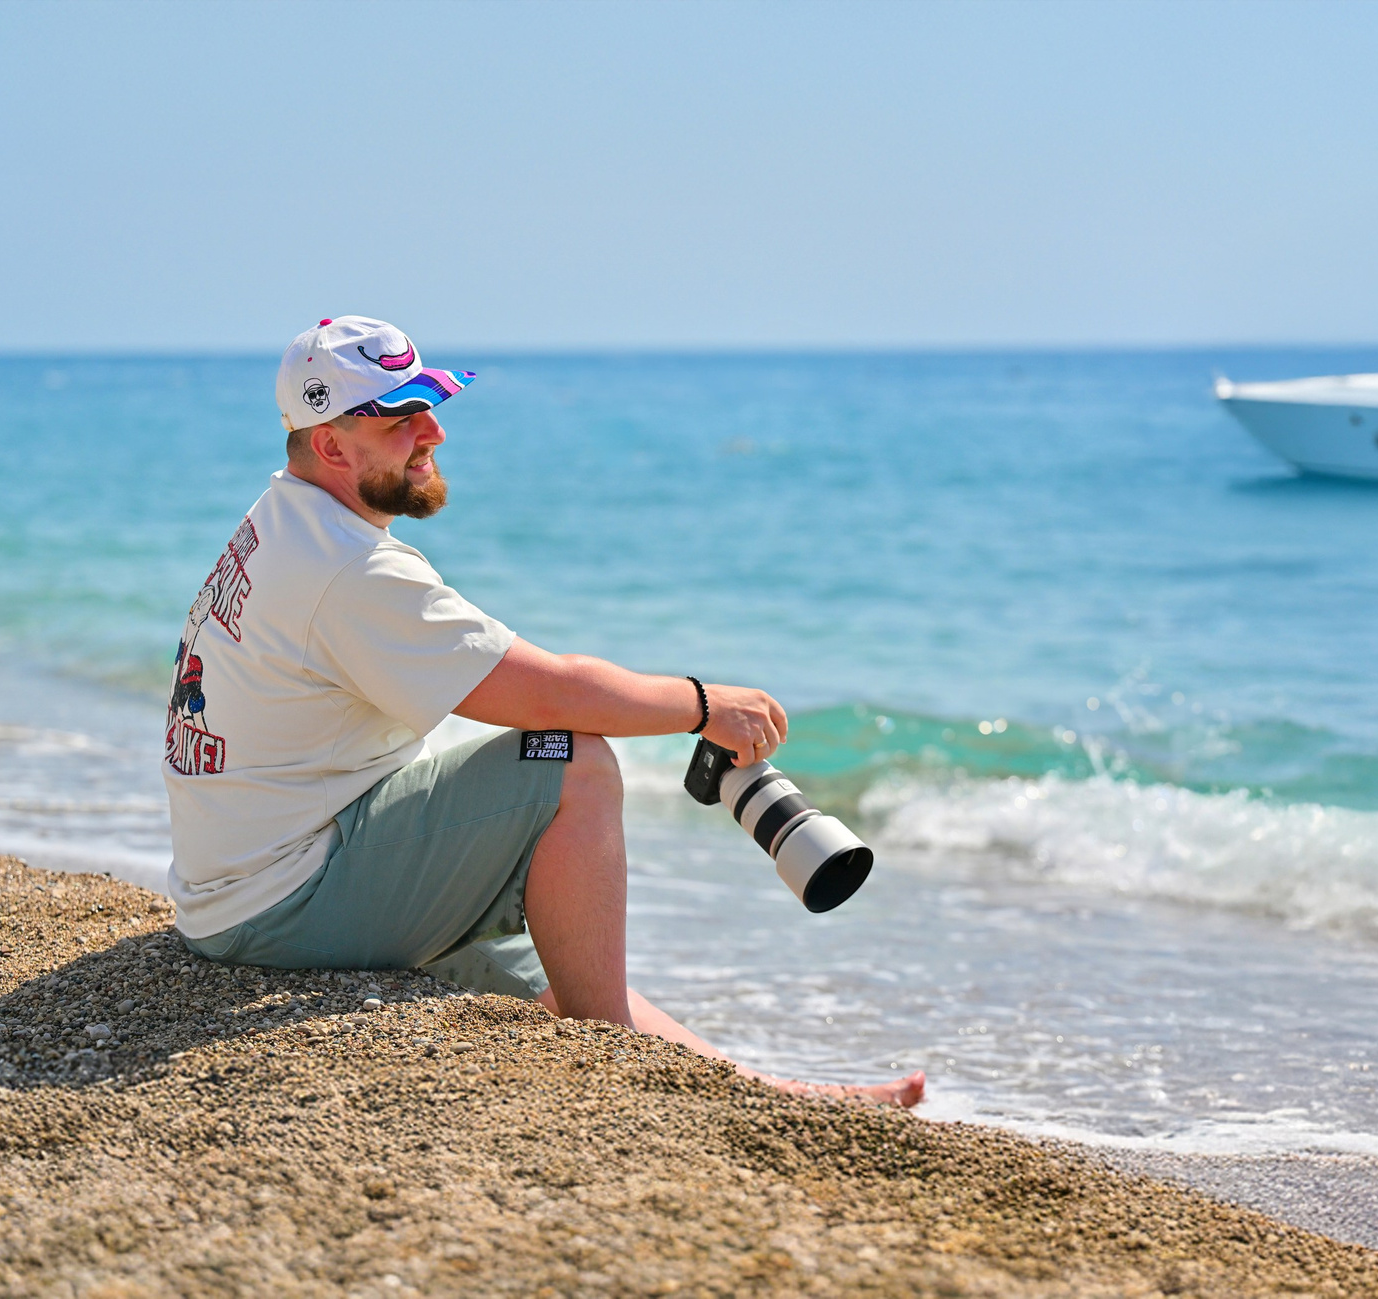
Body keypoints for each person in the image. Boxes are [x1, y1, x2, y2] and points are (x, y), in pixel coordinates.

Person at [162, 315, 922, 1107]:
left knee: (558, 956)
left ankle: (768, 1091)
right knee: (572, 762)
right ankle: (621, 1073)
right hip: (283, 898)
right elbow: (551, 692)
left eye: (431, 406)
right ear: (330, 445)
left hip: (241, 886)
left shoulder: (282, 519)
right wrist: (704, 706)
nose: (434, 432)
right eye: (401, 418)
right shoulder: (348, 568)